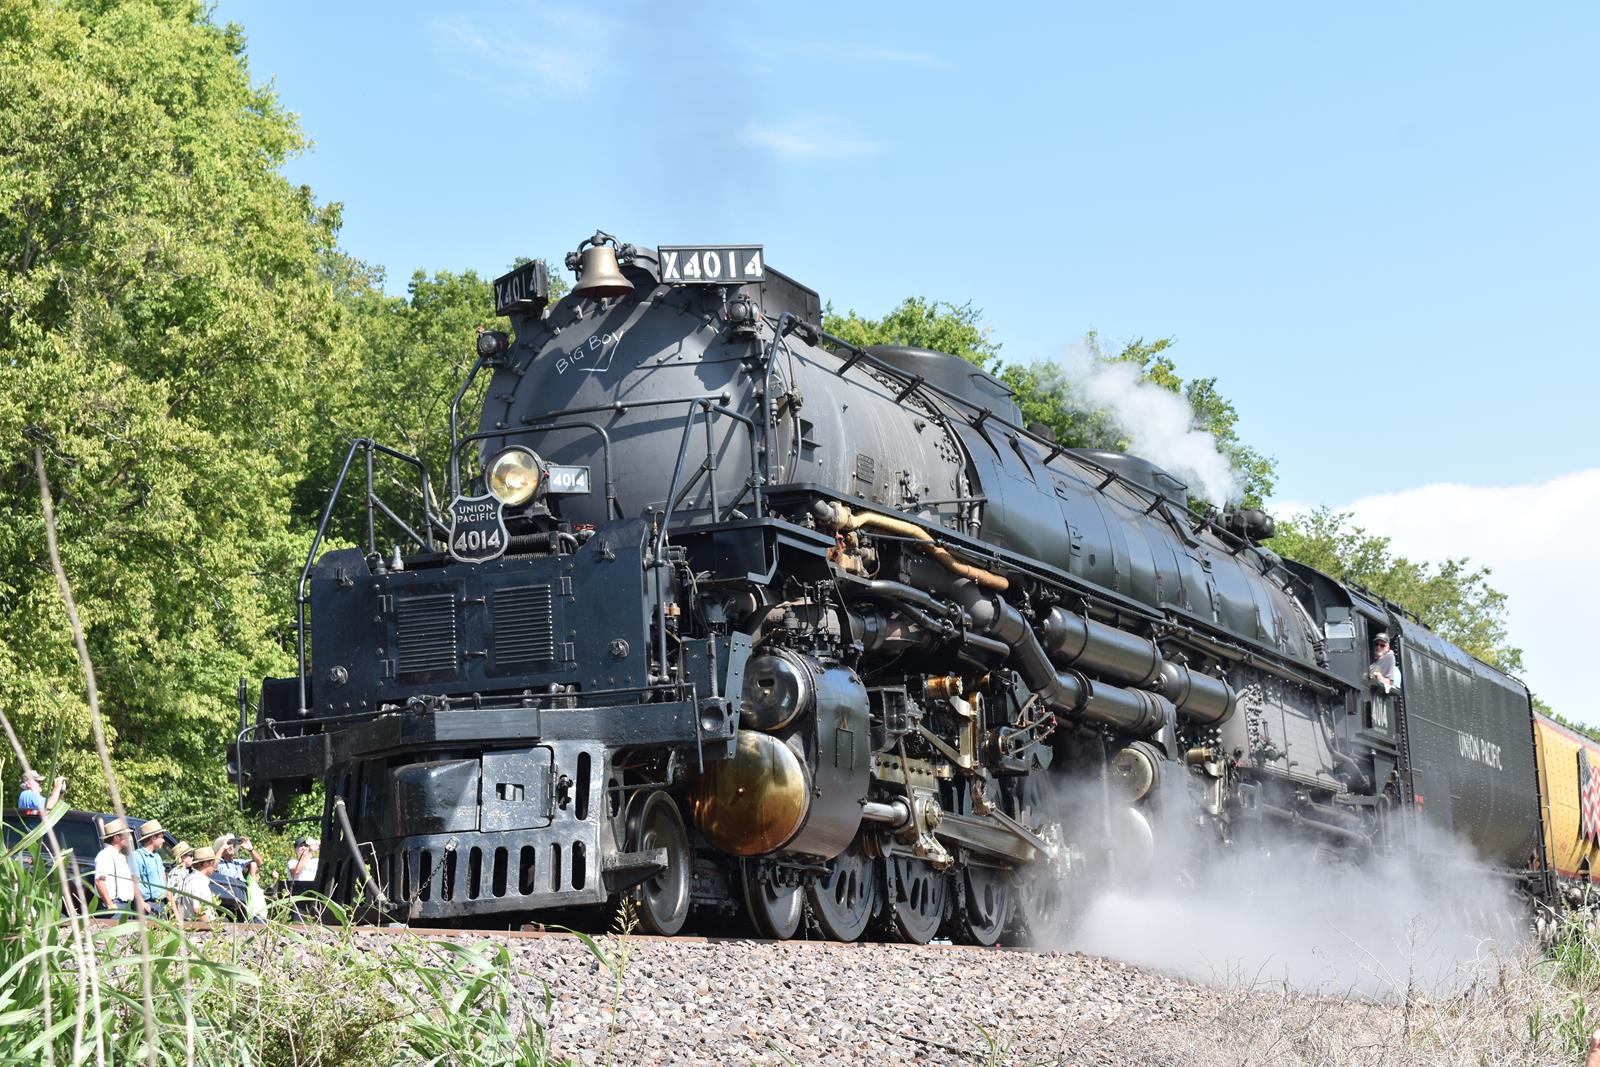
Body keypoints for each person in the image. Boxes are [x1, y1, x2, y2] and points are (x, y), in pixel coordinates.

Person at [93, 818, 137, 915]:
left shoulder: (121, 857)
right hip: (115, 905)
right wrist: (109, 904)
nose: (128, 837)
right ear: (116, 837)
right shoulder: (105, 855)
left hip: (125, 905)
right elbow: (99, 881)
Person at [130, 820, 167, 918]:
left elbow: (163, 875)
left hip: (161, 903)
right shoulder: (137, 856)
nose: (163, 840)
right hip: (147, 905)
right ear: (153, 838)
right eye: (161, 837)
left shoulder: (157, 856)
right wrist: (141, 901)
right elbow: (133, 881)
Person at [179, 846, 220, 923]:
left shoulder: (189, 878)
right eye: (213, 863)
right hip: (200, 928)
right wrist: (211, 928)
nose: (215, 867)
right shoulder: (197, 882)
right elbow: (198, 910)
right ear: (206, 863)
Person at [166, 841, 193, 913]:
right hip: (179, 909)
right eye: (190, 855)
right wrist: (177, 916)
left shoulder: (186, 871)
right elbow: (171, 896)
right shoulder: (177, 872)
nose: (192, 858)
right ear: (183, 857)